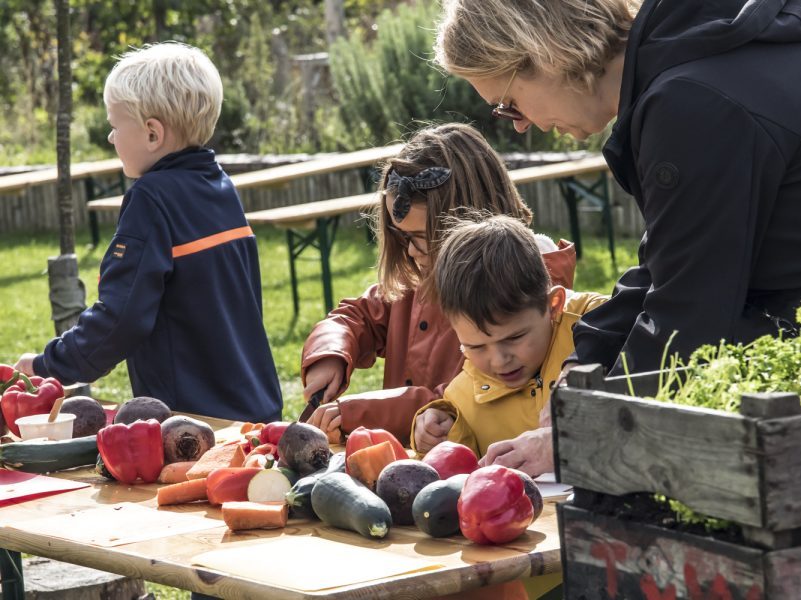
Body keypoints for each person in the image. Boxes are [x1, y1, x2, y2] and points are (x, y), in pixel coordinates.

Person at [434, 0, 801, 377]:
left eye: (509, 105)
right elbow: (675, 259)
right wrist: (587, 356)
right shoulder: (697, 56)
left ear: (543, 55)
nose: (520, 125)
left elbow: (689, 314)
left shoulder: (690, 107)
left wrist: (585, 422)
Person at [14, 42, 282, 423]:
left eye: (114, 125)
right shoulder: (219, 187)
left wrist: (48, 365)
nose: (111, 138)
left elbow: (121, 318)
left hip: (191, 420)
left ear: (152, 134)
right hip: (255, 407)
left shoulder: (150, 198)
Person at [302, 123, 577, 445]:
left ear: (465, 218)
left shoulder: (524, 282)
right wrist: (330, 353)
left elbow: (468, 390)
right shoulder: (421, 271)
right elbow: (359, 315)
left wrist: (358, 412)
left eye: (422, 237)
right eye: (403, 237)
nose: (410, 251)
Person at [411, 215, 606, 476]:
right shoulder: (461, 401)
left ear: (554, 305)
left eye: (514, 338)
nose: (499, 359)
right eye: (476, 347)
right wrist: (442, 431)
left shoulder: (599, 327)